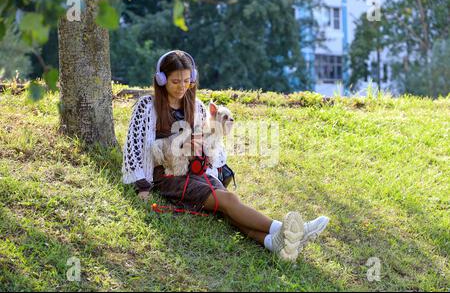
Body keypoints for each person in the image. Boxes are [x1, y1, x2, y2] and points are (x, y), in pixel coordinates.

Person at [122, 50, 329, 262]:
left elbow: (213, 148)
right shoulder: (147, 107)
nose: (182, 86)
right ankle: (290, 231)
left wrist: (203, 144)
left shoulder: (197, 107)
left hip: (195, 171)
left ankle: (273, 244)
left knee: (227, 208)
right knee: (227, 200)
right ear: (161, 79)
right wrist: (144, 187)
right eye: (175, 81)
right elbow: (137, 149)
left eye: (186, 81)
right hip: (168, 177)